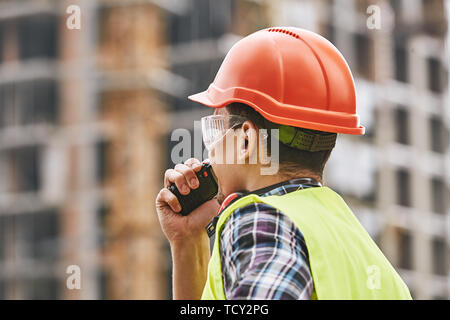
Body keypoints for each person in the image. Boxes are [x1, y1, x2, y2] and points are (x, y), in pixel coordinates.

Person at [156, 27, 412, 300]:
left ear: (246, 141)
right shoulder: (358, 247)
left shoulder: (262, 222)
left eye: (216, 127)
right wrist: (188, 243)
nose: (210, 145)